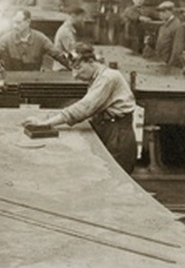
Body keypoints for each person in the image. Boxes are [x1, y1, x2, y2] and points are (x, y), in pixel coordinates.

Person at [21, 43, 138, 173]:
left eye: (78, 68)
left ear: (91, 61)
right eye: (72, 69)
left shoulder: (108, 78)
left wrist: (45, 123)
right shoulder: (98, 77)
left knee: (114, 179)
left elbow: (84, 108)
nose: (74, 75)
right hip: (107, 128)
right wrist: (46, 118)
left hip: (117, 136)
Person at [0, 8, 69, 71]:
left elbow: (57, 54)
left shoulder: (41, 38)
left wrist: (75, 68)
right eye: (13, 23)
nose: (14, 26)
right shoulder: (6, 39)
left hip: (34, 82)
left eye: (18, 23)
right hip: (12, 81)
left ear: (28, 22)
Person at [147, 0, 185, 68]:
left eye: (163, 12)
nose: (160, 14)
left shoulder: (177, 26)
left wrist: (170, 66)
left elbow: (177, 50)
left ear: (170, 12)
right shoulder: (164, 24)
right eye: (159, 12)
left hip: (168, 65)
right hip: (161, 62)